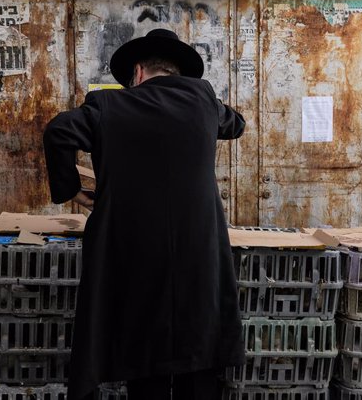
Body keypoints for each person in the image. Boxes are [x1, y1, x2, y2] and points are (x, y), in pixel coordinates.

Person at [43, 28, 246, 400]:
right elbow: (237, 125)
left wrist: (71, 190)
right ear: (178, 72)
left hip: (136, 256)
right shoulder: (204, 101)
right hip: (197, 254)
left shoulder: (109, 106)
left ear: (137, 72)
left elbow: (58, 131)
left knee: (144, 356)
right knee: (198, 351)